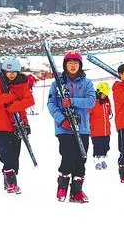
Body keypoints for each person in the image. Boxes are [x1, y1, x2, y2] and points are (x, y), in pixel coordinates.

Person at [47, 51, 96, 203]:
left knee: (81, 158)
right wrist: (62, 120)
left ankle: (77, 191)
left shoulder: (87, 83)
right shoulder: (57, 84)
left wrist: (72, 101)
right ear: (65, 65)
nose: (73, 66)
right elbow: (51, 104)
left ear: (80, 65)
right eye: (70, 63)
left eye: (76, 63)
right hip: (64, 128)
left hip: (82, 127)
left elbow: (91, 101)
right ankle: (62, 185)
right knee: (68, 155)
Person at [0, 57, 34, 194]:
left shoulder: (22, 83)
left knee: (15, 154)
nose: (12, 74)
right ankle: (11, 181)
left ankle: (10, 179)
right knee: (5, 154)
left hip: (17, 124)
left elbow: (29, 100)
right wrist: (11, 97)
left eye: (14, 71)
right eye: (8, 71)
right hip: (2, 124)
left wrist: (15, 106)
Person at [90, 81, 113, 171]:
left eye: (106, 95)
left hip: (106, 130)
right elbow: (88, 114)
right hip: (96, 131)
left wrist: (110, 111)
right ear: (98, 92)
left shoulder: (106, 102)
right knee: (98, 147)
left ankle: (103, 159)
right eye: (103, 94)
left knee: (106, 146)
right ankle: (97, 161)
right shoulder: (93, 102)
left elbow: (109, 109)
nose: (104, 96)